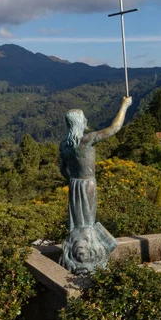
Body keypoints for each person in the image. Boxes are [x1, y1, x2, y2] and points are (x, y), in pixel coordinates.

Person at [59, 96, 132, 274]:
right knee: (88, 223)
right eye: (84, 118)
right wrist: (124, 105)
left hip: (74, 184)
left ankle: (76, 252)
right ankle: (89, 255)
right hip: (88, 184)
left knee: (77, 222)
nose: (86, 121)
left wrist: (73, 178)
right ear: (78, 122)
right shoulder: (86, 140)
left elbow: (62, 169)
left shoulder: (64, 145)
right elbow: (114, 128)